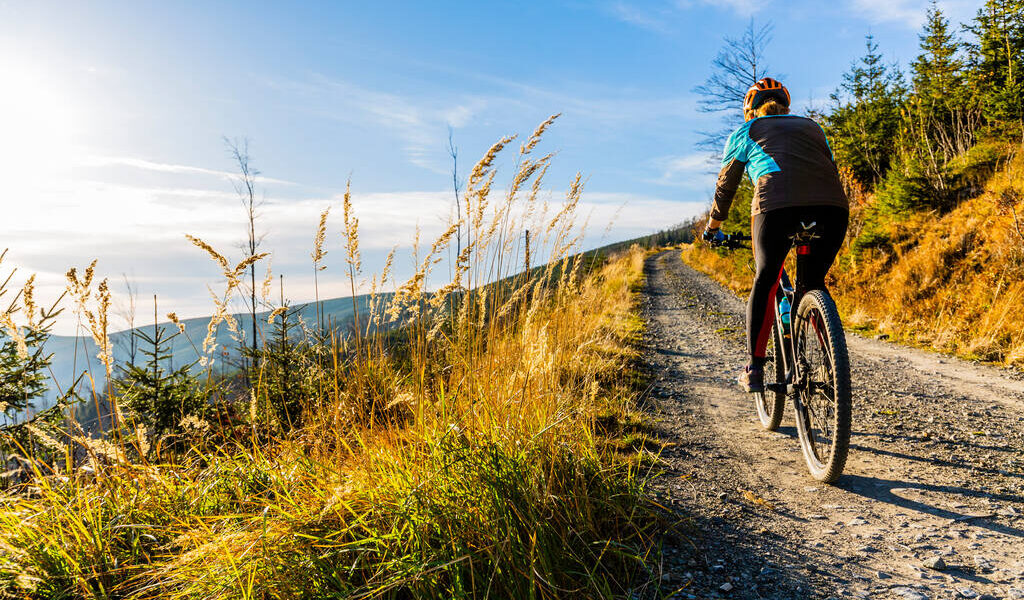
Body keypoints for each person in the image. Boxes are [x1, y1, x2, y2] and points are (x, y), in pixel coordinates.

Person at [702, 77, 849, 393]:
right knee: (812, 284)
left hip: (776, 209)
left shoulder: (745, 132)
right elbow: (828, 166)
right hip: (832, 209)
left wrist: (713, 227)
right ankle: (832, 361)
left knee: (766, 279)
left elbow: (725, 187)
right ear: (785, 104)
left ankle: (754, 369)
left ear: (750, 110)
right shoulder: (813, 127)